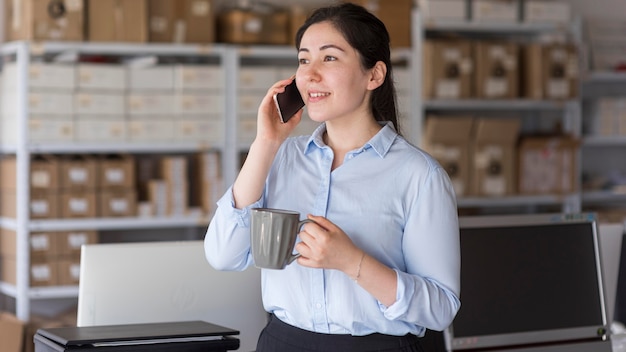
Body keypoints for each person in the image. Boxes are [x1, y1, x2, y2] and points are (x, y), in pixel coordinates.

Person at [204, 3, 460, 351]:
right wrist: (266, 142)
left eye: (329, 58)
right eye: (304, 59)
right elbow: (223, 254)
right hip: (282, 342)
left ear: (374, 75)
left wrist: (351, 262)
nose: (309, 75)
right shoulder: (280, 156)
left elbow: (441, 308)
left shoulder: (419, 176)